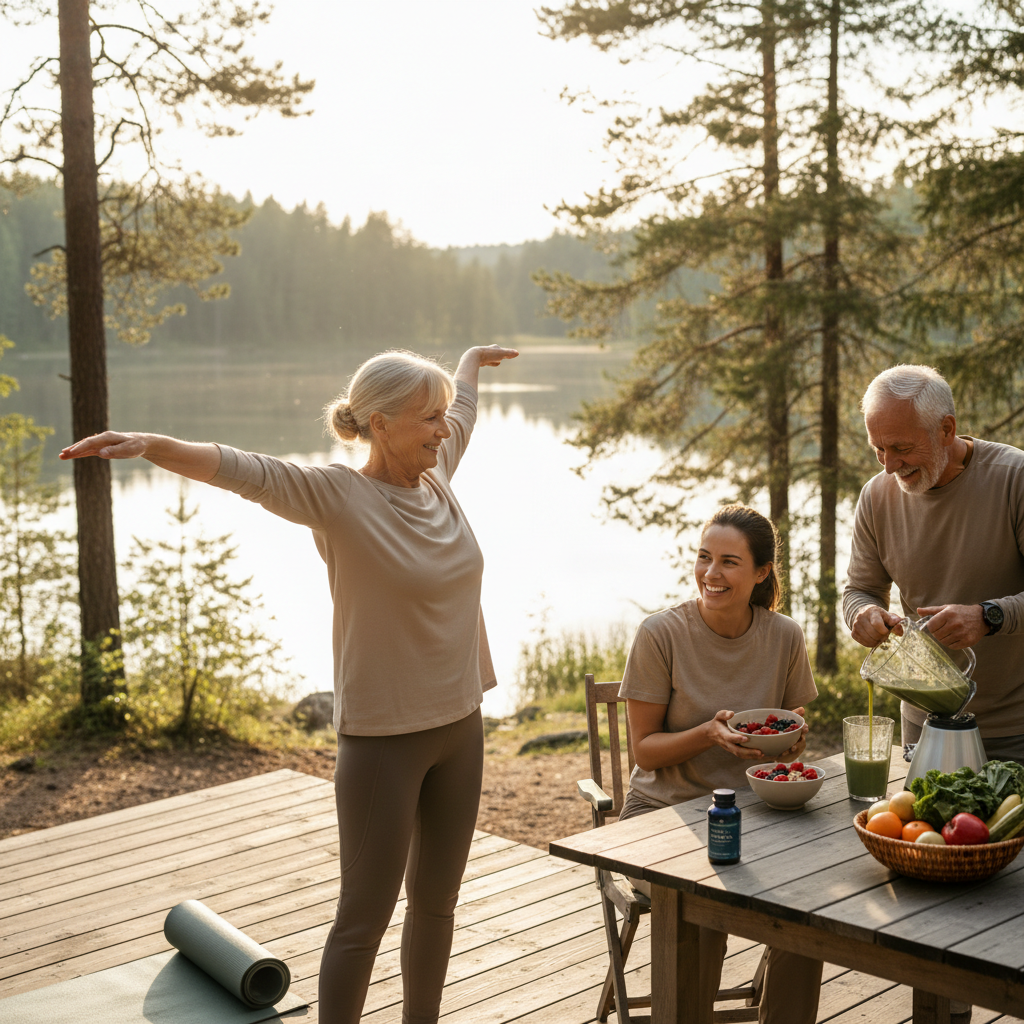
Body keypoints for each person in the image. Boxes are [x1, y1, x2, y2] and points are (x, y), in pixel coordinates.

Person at [60, 344, 519, 1024]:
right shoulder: (336, 495)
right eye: (428, 418)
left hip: (459, 725)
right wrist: (152, 444)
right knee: (362, 921)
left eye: (443, 416)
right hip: (383, 741)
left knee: (438, 905)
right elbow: (242, 470)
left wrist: (469, 365)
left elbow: (468, 413)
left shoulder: (438, 473)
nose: (443, 429)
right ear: (380, 423)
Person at [618, 504, 821, 1024]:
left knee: (810, 909)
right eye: (705, 557)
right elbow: (644, 751)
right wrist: (710, 733)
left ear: (760, 573)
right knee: (701, 904)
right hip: (663, 810)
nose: (711, 573)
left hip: (758, 811)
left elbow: (788, 724)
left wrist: (790, 745)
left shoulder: (785, 636)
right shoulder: (660, 634)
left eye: (729, 562)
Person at [843, 364, 1024, 767]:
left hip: (1015, 730)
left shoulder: (1015, 478)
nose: (888, 465)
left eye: (901, 448)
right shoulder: (876, 497)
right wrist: (864, 613)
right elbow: (859, 590)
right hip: (923, 726)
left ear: (946, 428)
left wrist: (989, 616)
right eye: (878, 449)